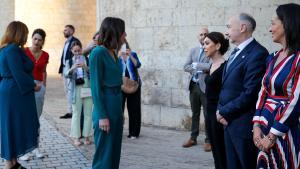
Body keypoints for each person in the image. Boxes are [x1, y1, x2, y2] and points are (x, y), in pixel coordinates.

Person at [218, 13, 269, 169]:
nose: (226, 32)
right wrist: (223, 113)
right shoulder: (236, 52)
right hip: (228, 122)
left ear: (242, 27)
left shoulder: (257, 53)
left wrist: (223, 111)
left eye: (228, 27)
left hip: (242, 125)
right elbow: (228, 87)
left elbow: (250, 93)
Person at [253, 3, 300, 169]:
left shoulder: (298, 58)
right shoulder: (272, 57)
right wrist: (256, 125)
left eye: (273, 23)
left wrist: (273, 135)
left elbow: (296, 100)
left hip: (286, 129)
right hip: (265, 124)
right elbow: (262, 92)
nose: (270, 29)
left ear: (287, 24)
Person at [0, 21, 40, 169]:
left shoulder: (6, 49)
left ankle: (13, 162)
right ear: (19, 33)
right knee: (13, 125)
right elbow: (18, 73)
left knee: (11, 125)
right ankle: (9, 163)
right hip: (15, 92)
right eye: (25, 33)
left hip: (10, 90)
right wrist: (33, 85)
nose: (26, 36)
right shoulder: (12, 50)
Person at [89, 17, 126, 169]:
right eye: (123, 32)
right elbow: (95, 87)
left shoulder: (113, 52)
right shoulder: (98, 53)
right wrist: (102, 116)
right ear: (115, 32)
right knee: (104, 153)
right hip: (105, 106)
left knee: (114, 151)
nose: (125, 36)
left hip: (116, 104)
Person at [19, 28, 49, 161]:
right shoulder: (24, 51)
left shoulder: (45, 55)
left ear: (43, 41)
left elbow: (44, 71)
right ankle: (23, 150)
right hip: (26, 86)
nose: (36, 41)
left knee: (35, 119)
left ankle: (35, 147)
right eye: (35, 38)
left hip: (39, 88)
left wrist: (44, 86)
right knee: (25, 118)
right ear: (31, 38)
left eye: (39, 39)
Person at [183, 27, 212, 151]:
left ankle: (209, 140)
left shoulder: (211, 50)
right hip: (193, 86)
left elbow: (211, 66)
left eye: (206, 34)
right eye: (201, 34)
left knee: (207, 114)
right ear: (198, 37)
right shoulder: (193, 50)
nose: (203, 36)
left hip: (205, 86)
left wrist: (196, 65)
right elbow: (185, 66)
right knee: (195, 113)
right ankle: (193, 137)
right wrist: (199, 69)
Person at [203, 32, 229, 169]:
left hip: (220, 114)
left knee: (222, 151)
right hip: (209, 113)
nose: (204, 47)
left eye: (207, 43)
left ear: (218, 45)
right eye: (203, 44)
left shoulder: (226, 66)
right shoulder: (211, 65)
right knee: (215, 152)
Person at [65, 41, 93, 146]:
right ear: (72, 51)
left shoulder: (87, 59)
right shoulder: (68, 61)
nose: (77, 53)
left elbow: (93, 72)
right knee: (76, 113)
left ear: (82, 49)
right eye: (75, 51)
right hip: (76, 88)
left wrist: (85, 67)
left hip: (87, 86)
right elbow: (66, 74)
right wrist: (73, 68)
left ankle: (87, 136)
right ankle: (76, 137)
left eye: (79, 50)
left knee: (88, 113)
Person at [119, 40, 142, 139]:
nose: (123, 48)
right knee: (119, 109)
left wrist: (130, 55)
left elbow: (138, 65)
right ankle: (118, 131)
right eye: (121, 46)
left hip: (133, 85)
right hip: (120, 85)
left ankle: (134, 132)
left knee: (134, 109)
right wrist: (118, 56)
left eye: (124, 46)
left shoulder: (133, 54)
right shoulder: (116, 56)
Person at [59, 25, 80, 119]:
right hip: (65, 69)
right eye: (64, 30)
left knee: (71, 90)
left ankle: (73, 111)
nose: (64, 31)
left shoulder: (75, 41)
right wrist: (61, 70)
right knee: (67, 90)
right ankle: (70, 111)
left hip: (71, 69)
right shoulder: (66, 42)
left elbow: (77, 55)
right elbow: (63, 56)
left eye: (66, 30)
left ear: (72, 31)